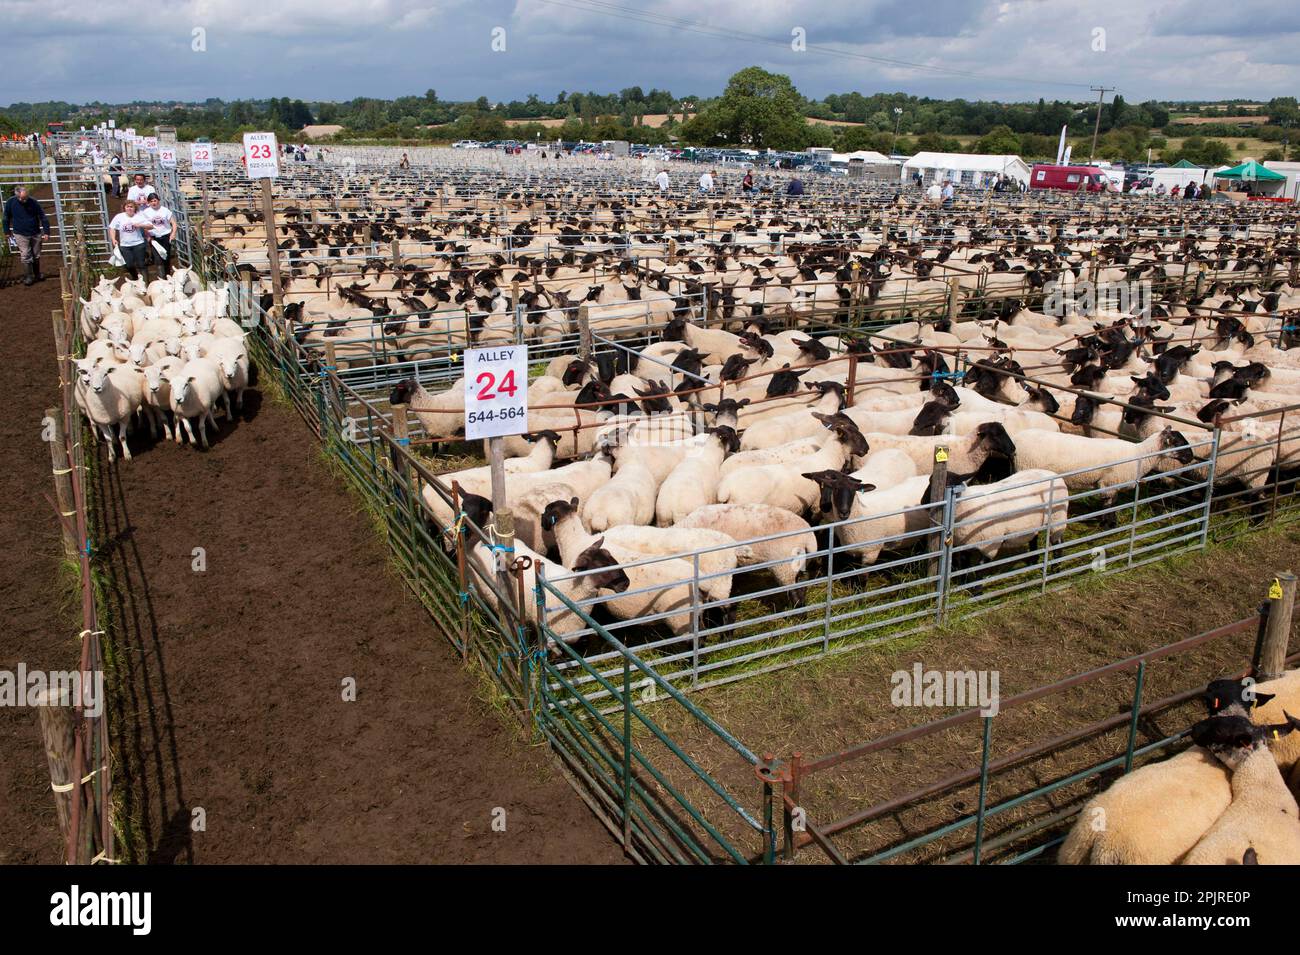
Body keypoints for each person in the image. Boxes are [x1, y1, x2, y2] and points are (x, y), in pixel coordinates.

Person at [4, 185, 51, 285]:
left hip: (35, 232)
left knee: (36, 254)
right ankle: (28, 276)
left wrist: (46, 231)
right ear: (17, 196)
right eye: (22, 198)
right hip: (20, 234)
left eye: (26, 197)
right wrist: (7, 231)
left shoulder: (33, 202)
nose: (24, 200)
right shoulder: (11, 203)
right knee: (25, 254)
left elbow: (43, 216)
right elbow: (6, 218)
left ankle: (37, 274)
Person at [109, 199, 153, 281]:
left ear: (135, 208)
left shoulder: (139, 217)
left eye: (131, 207)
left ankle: (146, 283)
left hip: (138, 244)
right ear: (124, 208)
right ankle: (135, 278)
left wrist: (140, 225)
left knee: (141, 264)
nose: (129, 208)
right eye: (127, 207)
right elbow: (112, 228)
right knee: (129, 265)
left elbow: (150, 226)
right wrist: (113, 239)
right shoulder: (119, 217)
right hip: (125, 245)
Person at [141, 194, 176, 278]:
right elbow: (145, 226)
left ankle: (168, 276)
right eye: (151, 201)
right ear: (148, 202)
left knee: (166, 257)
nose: (153, 203)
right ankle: (162, 278)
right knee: (158, 259)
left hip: (165, 236)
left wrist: (173, 233)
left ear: (158, 201)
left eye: (155, 200)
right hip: (154, 238)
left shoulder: (165, 210)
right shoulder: (146, 212)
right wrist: (148, 237)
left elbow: (174, 223)